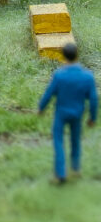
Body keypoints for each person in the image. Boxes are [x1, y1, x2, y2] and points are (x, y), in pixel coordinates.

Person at [38, 41, 98, 184]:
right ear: (77, 55)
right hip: (77, 113)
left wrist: (41, 108)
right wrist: (92, 117)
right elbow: (93, 99)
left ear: (63, 56)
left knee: (58, 141)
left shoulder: (59, 75)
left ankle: (60, 173)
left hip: (61, 113)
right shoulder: (87, 76)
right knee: (75, 140)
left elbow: (49, 93)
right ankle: (75, 169)